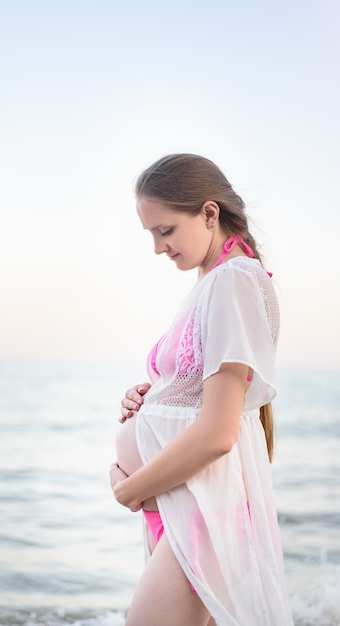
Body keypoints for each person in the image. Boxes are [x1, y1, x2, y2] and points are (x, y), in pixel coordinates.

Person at [109, 153, 293, 626]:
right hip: (187, 503)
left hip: (202, 509)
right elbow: (197, 395)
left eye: (165, 230)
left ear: (209, 213)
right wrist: (150, 395)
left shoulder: (232, 281)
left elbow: (217, 433)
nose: (157, 247)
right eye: (151, 233)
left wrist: (130, 490)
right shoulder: (216, 281)